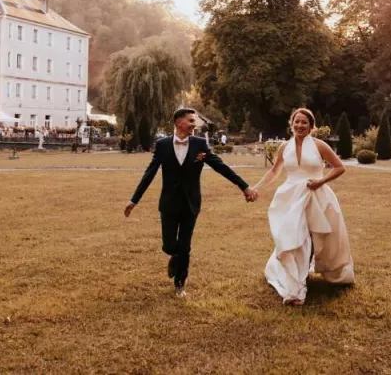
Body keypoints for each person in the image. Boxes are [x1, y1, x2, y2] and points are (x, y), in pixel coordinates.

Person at [125, 108, 259, 298]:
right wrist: (134, 200)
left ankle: (180, 283)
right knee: (170, 245)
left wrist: (244, 187)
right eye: (190, 121)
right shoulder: (162, 145)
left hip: (191, 203)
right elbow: (150, 173)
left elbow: (221, 166)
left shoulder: (200, 144)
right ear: (179, 123)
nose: (193, 124)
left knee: (185, 245)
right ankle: (174, 256)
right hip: (169, 203)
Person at [252, 108, 354, 305]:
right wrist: (256, 188)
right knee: (295, 237)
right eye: (296, 122)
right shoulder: (284, 147)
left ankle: (321, 272)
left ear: (311, 126)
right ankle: (297, 284)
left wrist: (320, 181)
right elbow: (274, 172)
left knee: (320, 237)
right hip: (291, 198)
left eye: (304, 123)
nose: (300, 126)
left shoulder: (319, 145)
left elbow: (340, 167)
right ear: (291, 124)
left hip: (317, 196)